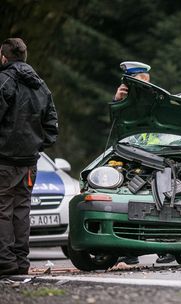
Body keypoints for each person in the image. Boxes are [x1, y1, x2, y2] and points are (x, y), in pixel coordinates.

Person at [0, 38, 58, 275]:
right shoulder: (41, 86)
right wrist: (35, 146)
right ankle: (21, 262)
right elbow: (52, 127)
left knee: (2, 209)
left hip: (4, 159)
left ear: (4, 57)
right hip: (29, 162)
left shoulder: (3, 81)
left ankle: (5, 263)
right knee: (22, 210)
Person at [112, 61, 176, 265]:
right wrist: (117, 103)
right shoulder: (125, 103)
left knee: (161, 202)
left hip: (158, 160)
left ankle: (166, 249)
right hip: (132, 160)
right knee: (131, 205)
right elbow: (118, 131)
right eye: (136, 82)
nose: (143, 85)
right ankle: (131, 250)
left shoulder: (157, 102)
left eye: (143, 81)